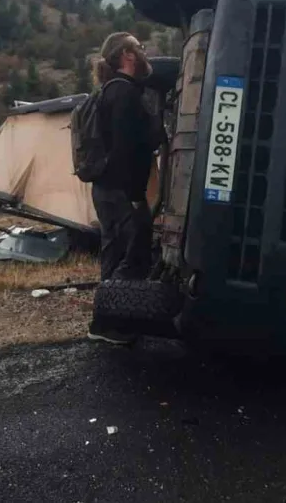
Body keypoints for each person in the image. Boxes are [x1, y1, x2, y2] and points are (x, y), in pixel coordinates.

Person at [86, 32, 162, 344]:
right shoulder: (123, 94)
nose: (144, 51)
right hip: (121, 191)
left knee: (116, 252)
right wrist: (134, 197)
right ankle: (110, 322)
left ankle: (106, 323)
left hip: (111, 189)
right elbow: (123, 150)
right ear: (128, 55)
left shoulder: (119, 90)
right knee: (134, 252)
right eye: (139, 47)